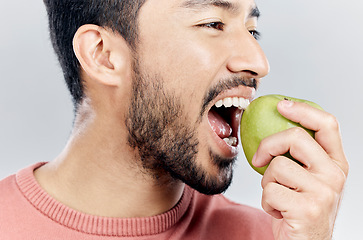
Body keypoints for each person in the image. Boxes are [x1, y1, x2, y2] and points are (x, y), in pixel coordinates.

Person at [0, 0, 349, 239]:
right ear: (103, 55)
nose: (258, 62)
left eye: (251, 30)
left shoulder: (273, 235)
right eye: (213, 23)